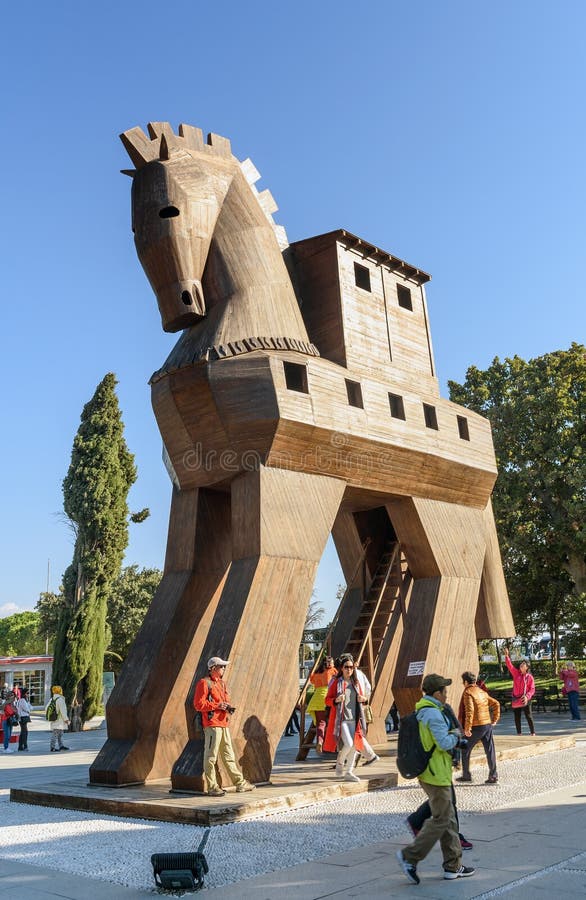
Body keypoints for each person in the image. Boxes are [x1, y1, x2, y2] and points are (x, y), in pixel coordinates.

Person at [396, 674, 475, 884]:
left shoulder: (427, 710)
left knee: (448, 819)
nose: (447, 693)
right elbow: (442, 742)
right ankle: (409, 857)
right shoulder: (432, 713)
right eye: (444, 690)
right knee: (441, 820)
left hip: (434, 772)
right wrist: (457, 738)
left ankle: (453, 866)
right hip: (435, 774)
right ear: (437, 692)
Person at [406, 702, 473, 850]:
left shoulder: (432, 710)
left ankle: (416, 821)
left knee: (442, 799)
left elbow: (455, 731)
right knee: (447, 801)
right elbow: (447, 739)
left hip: (437, 765)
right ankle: (452, 839)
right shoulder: (433, 712)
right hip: (435, 766)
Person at [193, 656, 256, 797]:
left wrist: (227, 706)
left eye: (224, 666)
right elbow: (198, 705)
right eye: (221, 666)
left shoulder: (222, 683)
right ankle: (212, 787)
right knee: (211, 756)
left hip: (223, 724)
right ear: (213, 668)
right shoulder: (204, 683)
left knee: (229, 756)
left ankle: (240, 783)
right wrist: (217, 705)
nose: (224, 668)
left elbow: (224, 700)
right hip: (212, 725)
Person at [324, 655, 378, 782]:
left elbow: (364, 698)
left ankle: (349, 772)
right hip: (341, 719)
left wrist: (363, 699)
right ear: (341, 669)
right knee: (348, 744)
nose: (349, 669)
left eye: (351, 667)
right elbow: (327, 700)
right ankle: (340, 763)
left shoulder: (356, 683)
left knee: (355, 746)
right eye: (346, 667)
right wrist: (336, 700)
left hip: (355, 719)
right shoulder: (337, 682)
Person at [456, 671, 501, 784]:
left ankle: (466, 776)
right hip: (487, 725)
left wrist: (467, 728)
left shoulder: (468, 692)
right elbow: (496, 704)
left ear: (466, 682)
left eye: (463, 682)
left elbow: (469, 711)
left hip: (477, 726)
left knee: (465, 748)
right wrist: (494, 720)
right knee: (490, 750)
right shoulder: (481, 691)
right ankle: (493, 776)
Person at [307, 655, 337, 751]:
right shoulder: (332, 671)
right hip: (326, 697)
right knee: (333, 721)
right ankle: (332, 744)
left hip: (316, 698)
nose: (333, 664)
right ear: (328, 663)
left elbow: (311, 680)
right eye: (332, 662)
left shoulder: (317, 672)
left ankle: (320, 741)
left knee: (321, 723)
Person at [504, 648, 536, 735]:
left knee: (528, 716)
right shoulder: (516, 673)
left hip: (525, 698)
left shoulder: (529, 677)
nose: (521, 665)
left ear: (527, 667)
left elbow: (532, 689)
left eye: (523, 664)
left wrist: (527, 696)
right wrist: (507, 656)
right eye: (521, 664)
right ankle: (519, 733)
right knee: (517, 717)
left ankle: (533, 733)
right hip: (516, 698)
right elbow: (509, 665)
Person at [45, 685, 70, 751]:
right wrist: (66, 719)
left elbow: (46, 708)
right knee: (56, 734)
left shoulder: (52, 699)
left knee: (60, 733)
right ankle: (52, 747)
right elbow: (63, 711)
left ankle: (61, 746)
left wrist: (52, 714)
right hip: (59, 720)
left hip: (54, 718)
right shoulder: (60, 699)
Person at [16, 687, 32, 751]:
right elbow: (27, 709)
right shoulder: (22, 700)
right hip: (22, 717)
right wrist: (29, 709)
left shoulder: (26, 700)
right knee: (24, 732)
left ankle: (20, 747)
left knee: (23, 732)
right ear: (24, 693)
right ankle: (25, 746)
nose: (28, 694)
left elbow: (31, 707)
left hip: (24, 717)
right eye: (27, 693)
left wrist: (29, 708)